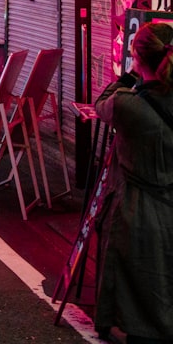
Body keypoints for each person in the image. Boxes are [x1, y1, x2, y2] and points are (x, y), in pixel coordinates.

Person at [94, 20, 173, 344]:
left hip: (138, 208)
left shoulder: (129, 105)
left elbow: (103, 103)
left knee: (137, 286)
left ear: (138, 59)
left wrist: (128, 76)